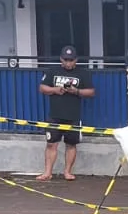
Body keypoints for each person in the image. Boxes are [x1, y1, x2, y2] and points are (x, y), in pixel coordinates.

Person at [37, 46, 94, 181]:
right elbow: (42, 88)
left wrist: (77, 91)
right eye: (66, 60)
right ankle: (47, 173)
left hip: (73, 115)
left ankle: (67, 172)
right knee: (51, 144)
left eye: (71, 60)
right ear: (61, 59)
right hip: (55, 114)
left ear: (76, 60)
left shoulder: (83, 73)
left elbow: (91, 92)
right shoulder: (52, 71)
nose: (68, 63)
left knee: (71, 144)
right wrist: (55, 90)